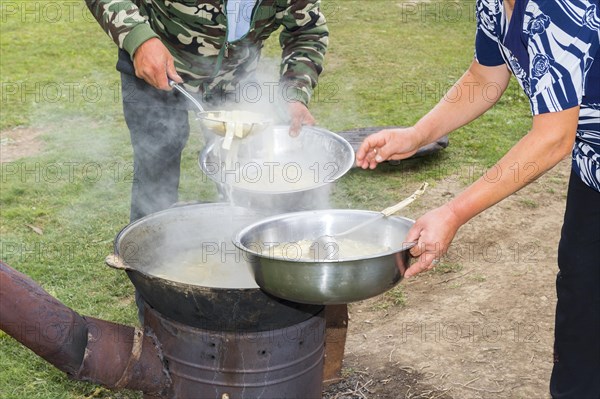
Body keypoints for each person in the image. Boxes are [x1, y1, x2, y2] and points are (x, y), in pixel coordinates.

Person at [356, 0, 599, 397]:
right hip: (593, 169)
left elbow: (554, 136)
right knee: (584, 300)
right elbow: (485, 75)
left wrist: (453, 211)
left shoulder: (554, 7)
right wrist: (418, 134)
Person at [85, 0, 328, 221]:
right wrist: (138, 39)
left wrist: (295, 93)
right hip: (155, 69)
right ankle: (148, 256)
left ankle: (248, 252)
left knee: (245, 170)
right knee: (156, 171)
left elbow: (306, 31)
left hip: (236, 78)